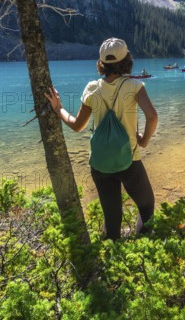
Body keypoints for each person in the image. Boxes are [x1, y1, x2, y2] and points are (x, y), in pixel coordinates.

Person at [44, 37, 157, 241]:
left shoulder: (92, 88)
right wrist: (144, 141)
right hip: (130, 160)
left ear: (101, 63)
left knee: (112, 216)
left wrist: (59, 108)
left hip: (100, 164)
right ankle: (144, 248)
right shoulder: (134, 86)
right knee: (147, 205)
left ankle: (112, 255)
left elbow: (78, 126)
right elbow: (152, 116)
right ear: (127, 60)